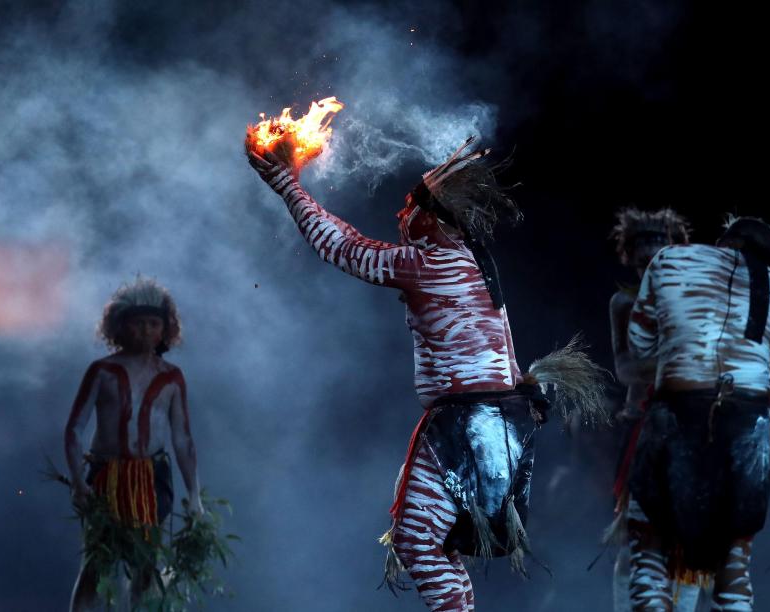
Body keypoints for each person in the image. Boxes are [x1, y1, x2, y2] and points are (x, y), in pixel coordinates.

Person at [247, 138, 603, 611]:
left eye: (409, 207)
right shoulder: (474, 265)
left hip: (470, 423)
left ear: (431, 216)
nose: (401, 216)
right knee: (433, 542)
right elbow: (502, 349)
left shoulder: (432, 263)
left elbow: (343, 248)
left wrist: (286, 185)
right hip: (497, 421)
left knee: (417, 539)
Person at [625, 216, 770, 611]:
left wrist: (684, 350)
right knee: (733, 570)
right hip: (748, 430)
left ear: (723, 242)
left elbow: (640, 348)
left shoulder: (670, 260)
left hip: (674, 414)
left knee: (650, 558)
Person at [64, 277, 203, 611]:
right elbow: (74, 429)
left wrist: (195, 496)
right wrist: (79, 483)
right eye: (138, 323)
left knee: (146, 564)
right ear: (120, 326)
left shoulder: (172, 377)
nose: (145, 331)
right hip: (105, 478)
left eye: (153, 324)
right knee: (96, 563)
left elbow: (182, 439)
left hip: (152, 479)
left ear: (165, 329)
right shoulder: (101, 371)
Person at [605, 208, 703, 611]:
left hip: (689, 432)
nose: (651, 269)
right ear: (631, 258)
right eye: (644, 262)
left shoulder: (694, 304)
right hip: (644, 431)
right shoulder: (623, 303)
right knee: (636, 539)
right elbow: (625, 369)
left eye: (659, 260)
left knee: (690, 545)